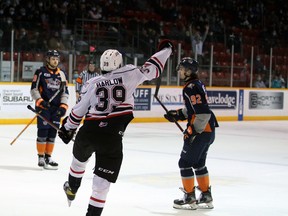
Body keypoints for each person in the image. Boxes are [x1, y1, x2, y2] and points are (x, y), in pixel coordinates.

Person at [57, 40, 174, 215]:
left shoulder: (93, 82)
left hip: (89, 131)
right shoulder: (130, 73)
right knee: (101, 186)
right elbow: (153, 68)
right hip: (111, 137)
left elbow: (78, 111)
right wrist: (167, 49)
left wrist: (67, 128)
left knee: (79, 160)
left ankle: (72, 188)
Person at [164, 57, 218, 210]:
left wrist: (193, 131)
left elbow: (203, 112)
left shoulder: (190, 87)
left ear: (188, 71)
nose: (179, 71)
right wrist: (179, 114)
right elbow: (195, 108)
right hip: (209, 130)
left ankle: (189, 197)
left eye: (181, 69)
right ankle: (206, 195)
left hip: (202, 130)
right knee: (199, 163)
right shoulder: (197, 84)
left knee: (185, 163)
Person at [30, 50, 69, 170]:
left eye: (57, 59)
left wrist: (63, 106)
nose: (55, 61)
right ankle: (41, 157)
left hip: (56, 109)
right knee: (43, 131)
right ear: (48, 59)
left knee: (52, 133)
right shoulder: (40, 72)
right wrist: (40, 101)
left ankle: (48, 157)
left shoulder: (62, 74)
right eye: (53, 59)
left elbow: (65, 92)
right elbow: (33, 89)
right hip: (43, 108)